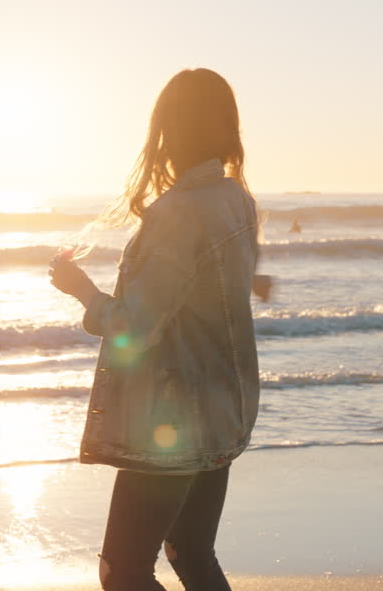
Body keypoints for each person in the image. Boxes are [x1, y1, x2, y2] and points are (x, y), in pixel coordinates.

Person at [49, 68, 268, 591]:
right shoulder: (237, 200)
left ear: (168, 130)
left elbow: (135, 327)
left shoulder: (177, 214)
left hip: (168, 420)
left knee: (122, 571)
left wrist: (81, 290)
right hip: (222, 407)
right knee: (192, 554)